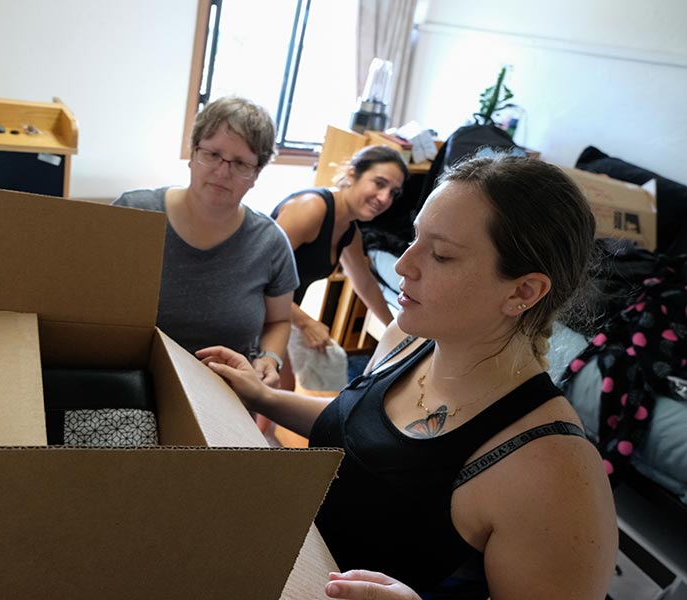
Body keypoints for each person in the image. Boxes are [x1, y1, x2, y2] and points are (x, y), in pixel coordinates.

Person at [197, 154, 618, 599]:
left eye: (440, 255)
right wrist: (264, 396)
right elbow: (360, 429)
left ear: (522, 292)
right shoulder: (408, 337)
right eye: (415, 239)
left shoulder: (553, 471)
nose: (403, 265)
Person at [113, 96, 297, 387]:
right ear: (192, 154)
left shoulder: (270, 243)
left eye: (240, 163)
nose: (222, 172)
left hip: (222, 392)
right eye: (212, 154)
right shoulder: (134, 213)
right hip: (128, 383)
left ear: (256, 174)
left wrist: (269, 357)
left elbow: (279, 321)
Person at [271, 145, 408, 391]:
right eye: (379, 183)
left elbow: (364, 282)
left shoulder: (348, 231)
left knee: (280, 390)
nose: (385, 198)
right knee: (273, 387)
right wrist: (305, 322)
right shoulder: (311, 209)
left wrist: (394, 332)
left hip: (278, 314)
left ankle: (264, 431)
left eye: (393, 193)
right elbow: (258, 274)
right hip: (251, 307)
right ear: (353, 174)